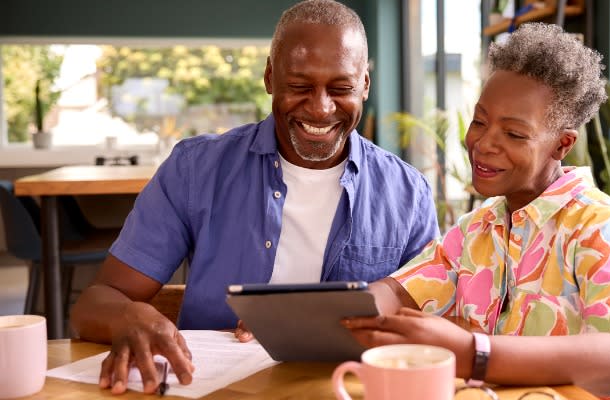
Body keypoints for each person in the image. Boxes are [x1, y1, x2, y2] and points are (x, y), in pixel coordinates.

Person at [69, 0, 439, 394]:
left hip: (344, 388)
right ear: (269, 77)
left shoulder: (407, 194)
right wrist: (129, 316)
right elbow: (95, 302)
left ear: (365, 83)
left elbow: (434, 325)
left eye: (341, 88)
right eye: (299, 86)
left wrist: (320, 325)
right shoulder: (195, 170)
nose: (320, 107)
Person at [344, 23, 610, 399]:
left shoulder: (601, 227)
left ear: (562, 144)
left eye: (514, 134)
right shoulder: (474, 231)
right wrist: (344, 315)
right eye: (479, 121)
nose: (484, 143)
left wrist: (473, 353)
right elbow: (396, 294)